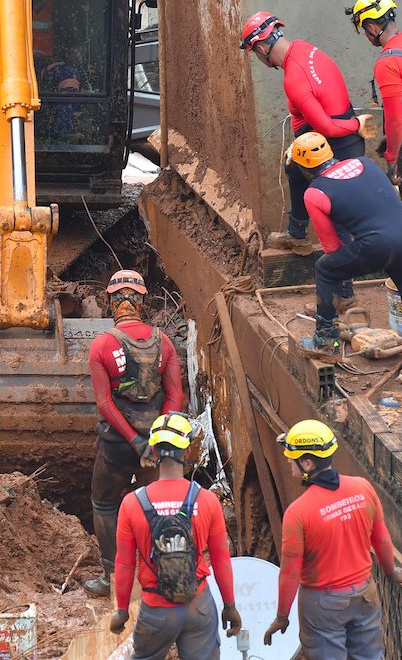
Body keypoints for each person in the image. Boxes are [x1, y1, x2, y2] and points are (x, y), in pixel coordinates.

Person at [263, 420, 402, 659]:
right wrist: (392, 572)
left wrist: (282, 616)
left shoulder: (298, 512)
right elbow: (381, 537)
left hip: (322, 605)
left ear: (307, 463)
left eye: (290, 456)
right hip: (365, 595)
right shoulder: (363, 488)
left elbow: (290, 572)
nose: (287, 460)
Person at [287, 133, 402, 390]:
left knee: (325, 269)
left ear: (304, 169)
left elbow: (332, 248)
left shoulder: (315, 193)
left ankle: (326, 341)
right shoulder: (365, 162)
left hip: (378, 245)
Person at [240, 11, 375, 276]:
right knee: (293, 167)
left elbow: (326, 127)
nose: (258, 58)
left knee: (336, 220)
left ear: (261, 47)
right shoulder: (302, 48)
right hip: (337, 133)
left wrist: (356, 126)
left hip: (338, 139)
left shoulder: (294, 79)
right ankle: (297, 233)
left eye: (255, 53)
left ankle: (344, 293)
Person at [83, 269, 183, 598]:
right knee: (156, 506)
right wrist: (156, 439)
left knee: (104, 503)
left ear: (110, 301)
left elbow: (105, 403)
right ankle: (158, 575)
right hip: (155, 448)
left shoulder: (102, 345)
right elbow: (175, 397)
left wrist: (134, 440)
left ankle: (113, 578)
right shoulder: (164, 342)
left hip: (116, 445)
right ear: (142, 300)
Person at [110, 413, 240, 659]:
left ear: (155, 452)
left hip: (156, 612)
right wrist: (230, 606)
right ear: (188, 451)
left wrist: (122, 610)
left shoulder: (131, 504)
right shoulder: (208, 500)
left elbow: (124, 563)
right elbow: (221, 559)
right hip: (198, 606)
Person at [348, 0, 402, 228]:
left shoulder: (387, 62)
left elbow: (394, 121)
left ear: (371, 27)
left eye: (364, 30)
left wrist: (391, 160)